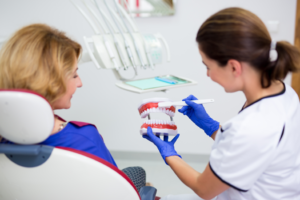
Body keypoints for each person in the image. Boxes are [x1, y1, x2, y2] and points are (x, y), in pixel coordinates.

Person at [143, 7, 300, 200]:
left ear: (234, 66)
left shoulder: (252, 126)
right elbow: (248, 150)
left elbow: (204, 189)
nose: (208, 75)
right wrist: (211, 127)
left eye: (208, 66)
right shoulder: (284, 92)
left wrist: (169, 154)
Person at [0, 24, 146, 192]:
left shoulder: (4, 137)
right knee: (137, 172)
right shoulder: (84, 137)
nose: (80, 83)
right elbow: (118, 191)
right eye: (74, 75)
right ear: (51, 82)